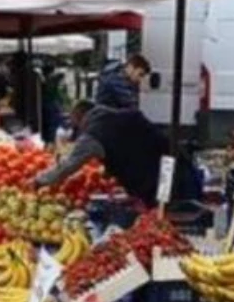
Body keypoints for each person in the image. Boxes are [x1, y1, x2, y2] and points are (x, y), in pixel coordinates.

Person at [34, 101, 200, 205]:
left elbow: (67, 167)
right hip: (176, 167)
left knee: (167, 216)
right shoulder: (127, 115)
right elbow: (129, 147)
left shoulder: (92, 135)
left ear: (80, 119)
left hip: (155, 183)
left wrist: (39, 181)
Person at [40, 64, 65, 144]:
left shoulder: (44, 81)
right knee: (53, 126)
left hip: (49, 105)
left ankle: (51, 141)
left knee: (51, 126)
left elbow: (61, 75)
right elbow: (61, 75)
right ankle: (52, 141)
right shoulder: (50, 80)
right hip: (51, 105)